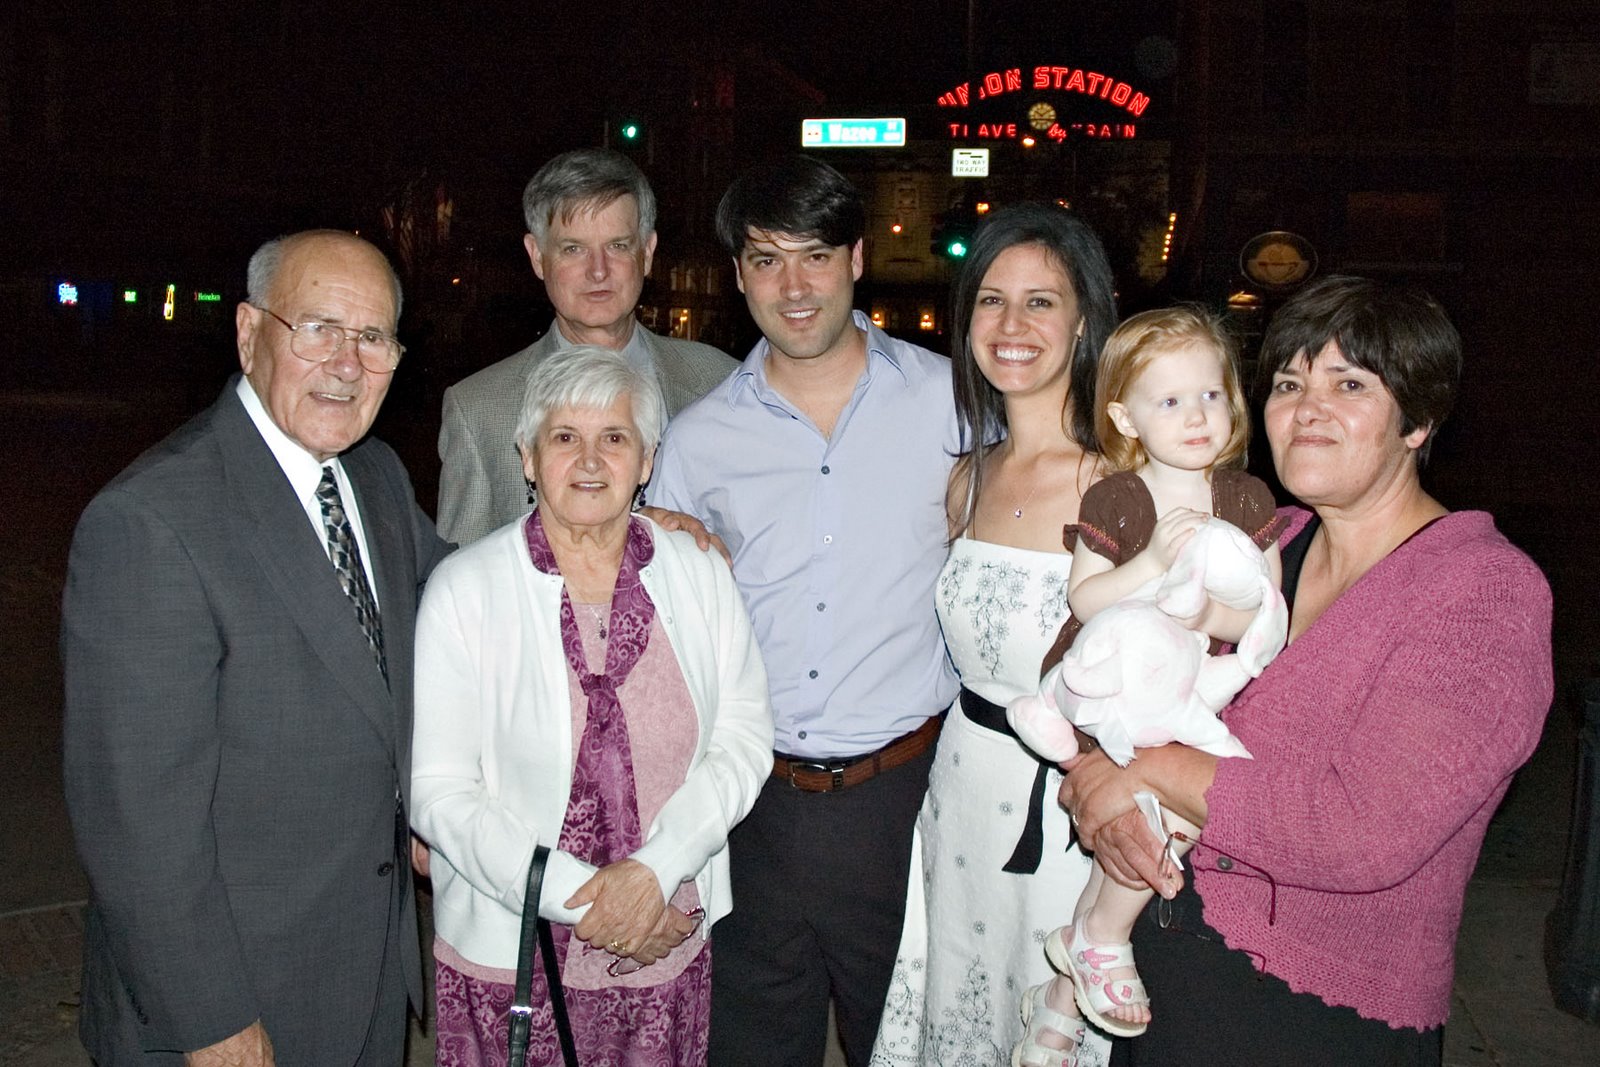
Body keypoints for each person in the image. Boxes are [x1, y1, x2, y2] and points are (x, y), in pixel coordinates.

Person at [1061, 275, 1553, 1066]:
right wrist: (1099, 780)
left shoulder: (1482, 593)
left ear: (1418, 420)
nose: (1307, 409)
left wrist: (1147, 771)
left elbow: (1364, 831)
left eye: (1349, 384)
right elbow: (1124, 665)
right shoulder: (1263, 541)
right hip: (1165, 973)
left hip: (1314, 1010)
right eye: (1289, 383)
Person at [62, 230, 451, 1065]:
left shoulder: (375, 475)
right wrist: (210, 1020)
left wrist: (617, 536)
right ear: (248, 333)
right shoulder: (153, 521)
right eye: (317, 328)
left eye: (372, 337)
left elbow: (458, 606)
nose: (346, 363)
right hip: (233, 1002)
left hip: (365, 971)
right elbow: (135, 823)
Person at [648, 155, 961, 1066]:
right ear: (738, 274)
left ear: (857, 258)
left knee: (905, 1045)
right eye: (766, 259)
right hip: (753, 803)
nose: (794, 287)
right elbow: (666, 632)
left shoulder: (954, 402)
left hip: (908, 796)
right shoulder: (699, 439)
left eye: (816, 256)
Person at [411, 345, 774, 1066]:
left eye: (614, 436)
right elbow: (440, 792)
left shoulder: (700, 573)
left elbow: (743, 739)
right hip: (513, 951)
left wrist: (658, 872)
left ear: (647, 460)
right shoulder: (465, 589)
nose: (589, 459)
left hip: (665, 940)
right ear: (527, 457)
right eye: (563, 437)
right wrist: (594, 900)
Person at [869, 202, 1119, 1067]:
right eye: (991, 299)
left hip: (1066, 809)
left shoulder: (1121, 484)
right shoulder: (967, 478)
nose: (1012, 325)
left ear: (1084, 321)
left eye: (1041, 301)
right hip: (960, 793)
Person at [1008, 307, 1284, 1058]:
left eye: (1210, 395)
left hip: (1187, 686)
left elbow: (1266, 611)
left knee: (1176, 813)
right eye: (1170, 400)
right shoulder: (1119, 497)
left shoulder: (1245, 499)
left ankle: (1078, 963)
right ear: (1126, 416)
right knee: (1156, 812)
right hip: (1110, 681)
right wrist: (1158, 563)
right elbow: (1085, 599)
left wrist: (1207, 606)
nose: (1196, 416)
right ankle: (1098, 942)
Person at [437, 148, 736, 546]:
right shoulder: (478, 412)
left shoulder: (724, 384)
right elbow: (458, 574)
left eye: (618, 246)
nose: (598, 271)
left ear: (647, 253)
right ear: (537, 256)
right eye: (573, 249)